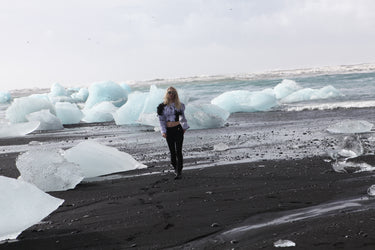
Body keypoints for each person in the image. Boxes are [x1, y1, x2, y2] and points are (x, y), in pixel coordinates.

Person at [157, 87, 189, 179]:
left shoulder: (180, 105)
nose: (171, 94)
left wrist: (184, 127)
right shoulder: (161, 107)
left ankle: (179, 171)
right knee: (172, 151)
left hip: (178, 129)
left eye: (173, 92)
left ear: (176, 94)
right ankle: (175, 167)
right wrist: (163, 131)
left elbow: (183, 118)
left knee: (178, 150)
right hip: (169, 131)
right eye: (170, 92)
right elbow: (161, 121)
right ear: (167, 94)